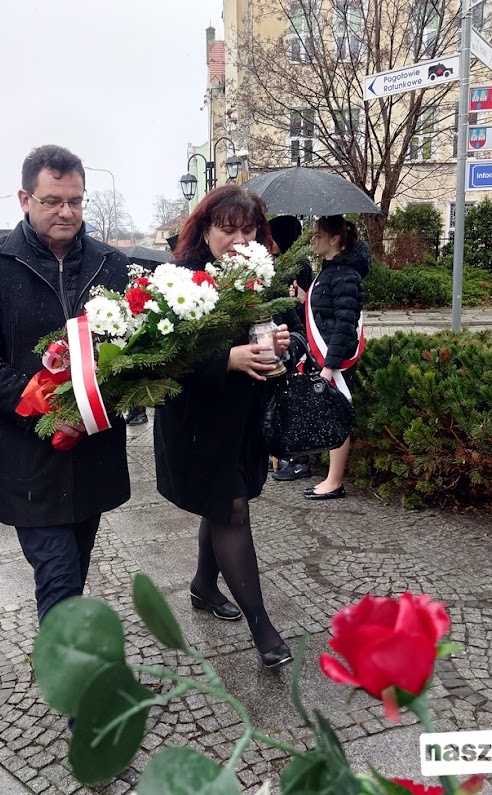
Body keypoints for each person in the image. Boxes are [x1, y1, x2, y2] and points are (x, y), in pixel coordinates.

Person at [0, 144, 131, 622]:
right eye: (53, 200)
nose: (66, 212)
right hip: (28, 454)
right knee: (58, 575)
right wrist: (46, 406)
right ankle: (65, 663)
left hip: (93, 451)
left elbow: (131, 352)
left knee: (74, 568)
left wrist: (104, 400)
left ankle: (60, 651)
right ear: (25, 199)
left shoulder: (111, 263)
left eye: (75, 200)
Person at [153, 184, 293, 668]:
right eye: (227, 230)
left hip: (243, 419)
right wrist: (226, 359)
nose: (239, 241)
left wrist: (282, 341)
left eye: (248, 230)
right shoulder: (177, 279)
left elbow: (282, 337)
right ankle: (262, 629)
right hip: (197, 421)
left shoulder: (261, 276)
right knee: (231, 510)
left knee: (221, 507)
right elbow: (161, 359)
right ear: (205, 230)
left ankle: (202, 586)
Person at [295, 215, 368, 501]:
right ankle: (330, 478)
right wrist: (304, 298)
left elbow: (344, 324)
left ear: (335, 240)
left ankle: (334, 482)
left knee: (337, 417)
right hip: (327, 358)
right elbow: (326, 311)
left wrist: (330, 366)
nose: (312, 240)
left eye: (317, 235)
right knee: (329, 415)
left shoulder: (345, 274)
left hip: (335, 360)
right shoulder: (331, 270)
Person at [268, 215, 314, 482]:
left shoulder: (299, 266)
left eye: (272, 236)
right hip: (286, 336)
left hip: (295, 339)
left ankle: (299, 459)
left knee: (295, 399)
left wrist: (294, 297)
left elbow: (303, 303)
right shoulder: (282, 263)